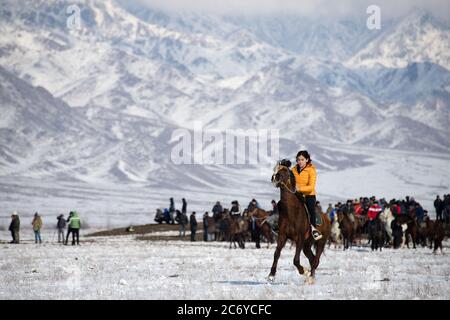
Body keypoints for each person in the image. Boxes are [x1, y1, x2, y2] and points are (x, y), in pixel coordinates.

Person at [291, 150, 322, 240]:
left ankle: (313, 230)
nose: (300, 161)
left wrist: (299, 189)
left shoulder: (311, 170)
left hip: (309, 195)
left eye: (302, 159)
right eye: (298, 160)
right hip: (296, 195)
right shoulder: (293, 170)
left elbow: (311, 187)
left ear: (307, 160)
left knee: (311, 211)